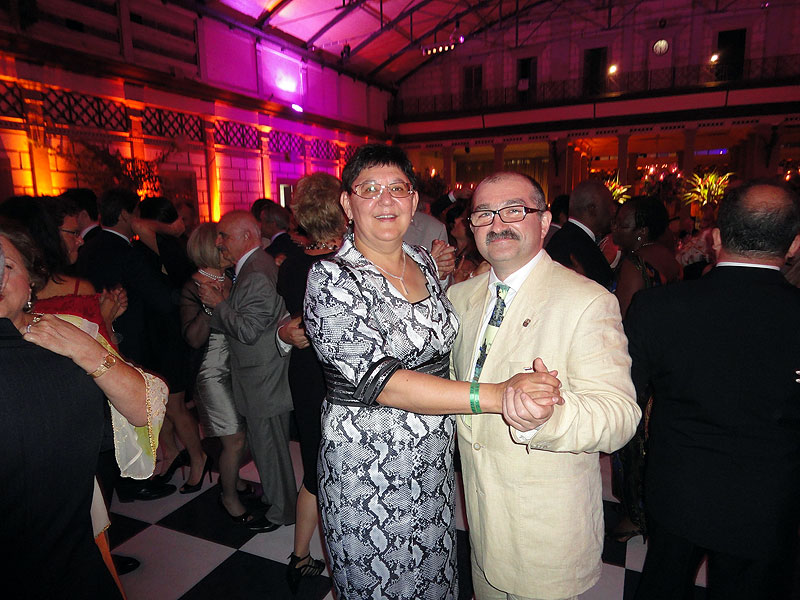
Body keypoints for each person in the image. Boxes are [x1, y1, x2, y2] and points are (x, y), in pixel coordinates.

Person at [304, 145, 562, 599]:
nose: (385, 200)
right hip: (368, 465)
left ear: (413, 200)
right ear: (347, 203)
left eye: (397, 188)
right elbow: (381, 382)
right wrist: (497, 394)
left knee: (433, 576)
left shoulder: (422, 260)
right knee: (381, 583)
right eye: (369, 189)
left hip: (432, 459)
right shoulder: (331, 278)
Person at [447, 172, 640, 600]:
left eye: (514, 210)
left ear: (545, 220)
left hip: (544, 538)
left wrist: (547, 419)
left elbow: (620, 414)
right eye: (484, 213)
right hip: (483, 529)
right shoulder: (460, 298)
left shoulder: (586, 301)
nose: (497, 223)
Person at [626, 180, 800, 600]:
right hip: (769, 499)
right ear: (794, 245)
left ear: (716, 238)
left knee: (663, 587)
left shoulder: (658, 308)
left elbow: (626, 400)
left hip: (678, 489)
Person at [0, 221, 166, 598]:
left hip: (65, 514)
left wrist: (88, 352)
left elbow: (145, 406)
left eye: (7, 265)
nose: (0, 277)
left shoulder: (69, 327)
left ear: (31, 279)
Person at [76, 187, 179, 502]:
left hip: (92, 340)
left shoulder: (88, 247)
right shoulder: (127, 252)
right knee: (133, 413)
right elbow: (162, 301)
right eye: (134, 213)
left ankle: (120, 481)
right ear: (125, 214)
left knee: (111, 415)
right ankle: (134, 481)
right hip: (129, 342)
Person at [198, 210, 296, 531]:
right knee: (267, 445)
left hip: (262, 375)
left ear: (247, 237)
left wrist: (218, 304)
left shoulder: (255, 273)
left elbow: (249, 331)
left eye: (224, 235)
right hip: (261, 373)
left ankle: (281, 511)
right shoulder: (256, 265)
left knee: (270, 447)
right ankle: (276, 500)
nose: (218, 242)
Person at [275, 172, 347, 590]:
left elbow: (298, 321)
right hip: (337, 376)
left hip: (306, 371)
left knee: (314, 469)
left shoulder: (292, 265)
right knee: (338, 470)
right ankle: (347, 561)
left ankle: (300, 556)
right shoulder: (347, 264)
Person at [180, 223, 265, 528]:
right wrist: (208, 308)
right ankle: (229, 498)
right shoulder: (193, 286)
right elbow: (192, 340)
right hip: (212, 372)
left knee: (246, 434)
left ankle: (234, 480)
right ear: (210, 249)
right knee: (235, 439)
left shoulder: (232, 277)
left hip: (238, 369)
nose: (227, 246)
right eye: (222, 242)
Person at [607, 195, 681, 543]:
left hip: (636, 364)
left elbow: (620, 320)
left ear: (642, 231)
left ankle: (634, 516)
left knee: (631, 443)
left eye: (623, 223)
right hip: (665, 359)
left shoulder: (634, 264)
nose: (615, 228)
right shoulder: (669, 258)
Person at [546, 179, 615, 288]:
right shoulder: (574, 244)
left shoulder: (570, 237)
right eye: (609, 206)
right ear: (592, 209)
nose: (613, 211)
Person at [253, 199, 304, 264]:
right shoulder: (298, 245)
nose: (260, 225)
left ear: (272, 224)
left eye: (262, 221)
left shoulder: (270, 252)